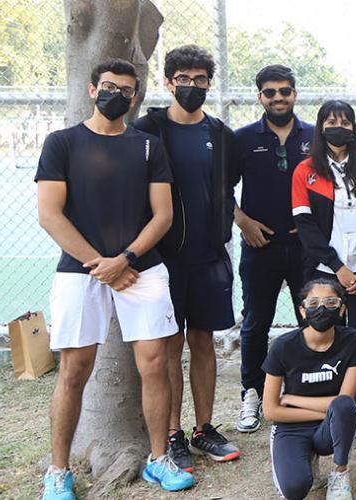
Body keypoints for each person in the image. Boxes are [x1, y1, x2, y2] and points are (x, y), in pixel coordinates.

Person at [37, 58, 195, 498]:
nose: (116, 96)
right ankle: (58, 471)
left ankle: (158, 459)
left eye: (126, 90)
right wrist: (102, 267)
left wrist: (125, 259)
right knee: (73, 370)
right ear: (92, 90)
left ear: (136, 96)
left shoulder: (148, 146)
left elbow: (162, 215)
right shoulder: (62, 143)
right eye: (108, 87)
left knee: (155, 364)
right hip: (81, 272)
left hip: (141, 269)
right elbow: (50, 215)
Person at [131, 44, 241, 471]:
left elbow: (225, 189)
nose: (191, 87)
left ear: (209, 84)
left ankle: (204, 428)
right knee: (170, 344)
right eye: (183, 79)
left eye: (199, 80)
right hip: (162, 261)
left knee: (203, 342)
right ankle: (173, 432)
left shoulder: (220, 134)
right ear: (167, 81)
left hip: (210, 257)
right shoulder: (148, 130)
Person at [291, 100, 356, 461]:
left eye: (345, 121)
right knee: (324, 344)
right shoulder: (306, 171)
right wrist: (338, 268)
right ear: (320, 127)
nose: (339, 127)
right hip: (325, 275)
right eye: (331, 121)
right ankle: (322, 418)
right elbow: (306, 227)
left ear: (354, 127)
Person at [232, 64, 313, 434]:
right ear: (260, 96)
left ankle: (308, 388)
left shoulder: (315, 136)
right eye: (270, 92)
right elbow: (221, 190)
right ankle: (253, 392)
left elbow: (333, 186)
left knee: (312, 320)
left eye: (285, 91)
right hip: (259, 245)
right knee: (255, 323)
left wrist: (315, 226)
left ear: (295, 93)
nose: (278, 98)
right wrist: (243, 221)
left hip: (305, 247)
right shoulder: (244, 138)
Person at [263, 279, 356, 500]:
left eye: (330, 302)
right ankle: (305, 458)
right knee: (294, 490)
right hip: (292, 426)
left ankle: (340, 472)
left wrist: (292, 398)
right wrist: (326, 413)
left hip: (328, 426)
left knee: (345, 406)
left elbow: (345, 400)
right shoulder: (283, 346)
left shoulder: (353, 340)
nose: (321, 308)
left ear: (342, 309)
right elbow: (271, 410)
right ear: (302, 310)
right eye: (313, 303)